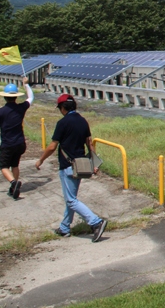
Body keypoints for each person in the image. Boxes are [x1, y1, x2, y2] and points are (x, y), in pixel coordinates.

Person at [35, 94, 108, 242]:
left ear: (63, 108)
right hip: (81, 165)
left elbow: (52, 146)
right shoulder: (83, 121)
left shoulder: (62, 123)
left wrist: (40, 160)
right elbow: (89, 143)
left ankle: (96, 222)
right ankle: (64, 227)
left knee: (71, 200)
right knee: (71, 198)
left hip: (67, 166)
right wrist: (94, 163)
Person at [0, 78, 33, 200]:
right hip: (20, 143)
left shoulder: (0, 111)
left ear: (4, 97)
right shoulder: (21, 108)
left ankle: (13, 182)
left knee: (3, 166)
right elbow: (31, 98)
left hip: (8, 144)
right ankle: (14, 188)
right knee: (15, 164)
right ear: (16, 97)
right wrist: (26, 85)